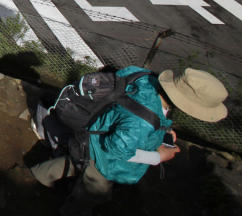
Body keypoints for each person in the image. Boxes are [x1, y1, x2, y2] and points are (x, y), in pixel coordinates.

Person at [30, 67, 228, 214]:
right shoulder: (143, 124)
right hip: (104, 162)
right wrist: (157, 156)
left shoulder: (145, 78)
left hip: (93, 134)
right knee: (92, 193)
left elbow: (130, 110)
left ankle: (36, 174)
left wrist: (163, 130)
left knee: (75, 162)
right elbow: (117, 150)